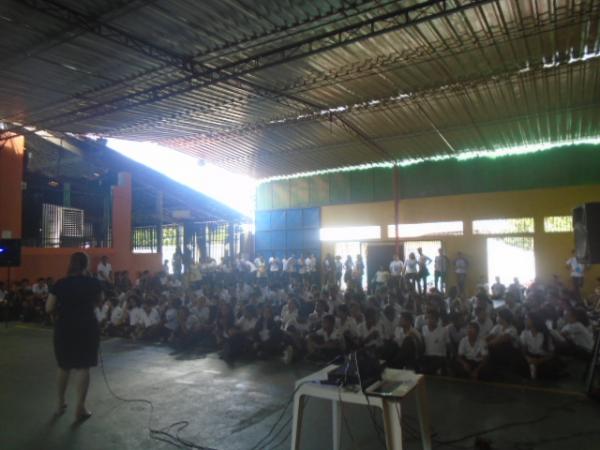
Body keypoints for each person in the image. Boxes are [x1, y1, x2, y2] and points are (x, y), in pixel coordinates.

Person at [45, 252, 102, 421]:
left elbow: (48, 308)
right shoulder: (93, 282)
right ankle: (80, 408)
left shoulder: (60, 283)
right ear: (86, 265)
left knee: (64, 366)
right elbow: (100, 301)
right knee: (83, 367)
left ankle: (60, 404)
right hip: (87, 327)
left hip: (65, 328)